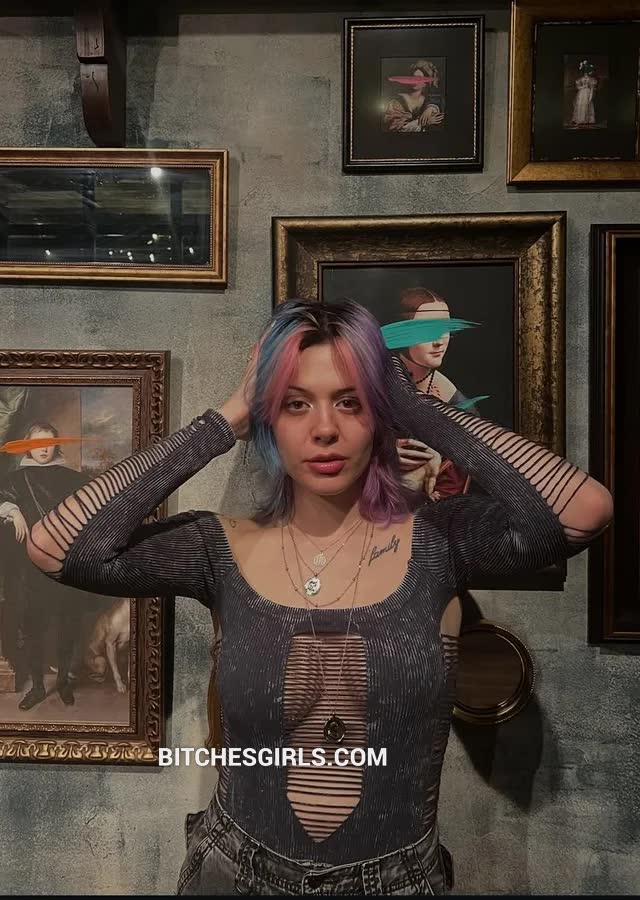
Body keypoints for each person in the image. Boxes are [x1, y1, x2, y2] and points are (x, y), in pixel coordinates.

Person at [26, 299, 612, 895]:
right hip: (235, 872)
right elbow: (56, 547)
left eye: (351, 401)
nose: (324, 428)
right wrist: (224, 420)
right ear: (268, 418)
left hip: (398, 882)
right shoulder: (218, 547)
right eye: (295, 403)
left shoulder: (439, 542)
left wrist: (411, 403)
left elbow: (583, 512)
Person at [0, 422, 91, 709]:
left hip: (64, 563)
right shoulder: (15, 479)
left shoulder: (73, 478)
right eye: (37, 443)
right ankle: (38, 687)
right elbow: (1, 499)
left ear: (56, 445)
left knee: (68, 623)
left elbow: (93, 509)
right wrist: (12, 511)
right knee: (32, 627)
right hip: (29, 567)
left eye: (49, 443)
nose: (43, 449)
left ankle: (63, 682)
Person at [394, 287, 476, 500]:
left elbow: (454, 486)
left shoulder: (458, 405)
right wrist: (379, 454)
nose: (439, 341)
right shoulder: (371, 381)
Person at [383, 59, 445, 133]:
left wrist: (431, 108)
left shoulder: (429, 101)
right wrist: (421, 122)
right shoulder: (396, 100)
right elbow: (394, 128)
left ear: (426, 82)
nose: (414, 81)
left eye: (419, 78)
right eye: (413, 77)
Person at [571, 60, 598, 127]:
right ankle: (580, 119)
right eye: (584, 71)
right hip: (581, 93)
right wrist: (582, 87)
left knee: (587, 104)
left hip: (587, 93)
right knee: (580, 105)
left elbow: (592, 88)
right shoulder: (580, 79)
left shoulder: (591, 79)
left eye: (587, 71)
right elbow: (578, 87)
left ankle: (587, 120)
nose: (585, 73)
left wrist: (591, 96)